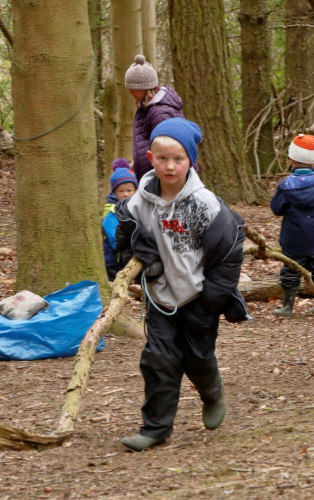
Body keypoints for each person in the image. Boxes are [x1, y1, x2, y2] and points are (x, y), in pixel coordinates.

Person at [115, 117, 250, 451]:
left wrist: (213, 300)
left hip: (199, 296)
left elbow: (230, 250)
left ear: (191, 161)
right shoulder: (138, 201)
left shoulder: (205, 204)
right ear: (151, 158)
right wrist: (136, 248)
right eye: (162, 159)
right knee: (158, 360)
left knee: (197, 358)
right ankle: (155, 429)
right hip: (161, 297)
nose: (169, 166)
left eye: (178, 159)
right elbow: (123, 235)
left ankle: (212, 392)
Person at [270, 134, 314, 318]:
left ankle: (287, 307)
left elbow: (277, 208)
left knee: (290, 270)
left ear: (292, 158)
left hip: (292, 238)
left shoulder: (286, 185)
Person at [124, 54, 190, 181]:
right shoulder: (150, 108)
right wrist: (137, 163)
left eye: (132, 88)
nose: (130, 92)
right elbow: (150, 145)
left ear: (144, 88)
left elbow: (167, 151)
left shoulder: (159, 113)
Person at [102, 158, 138, 281]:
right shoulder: (112, 210)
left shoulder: (136, 207)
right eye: (121, 191)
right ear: (115, 193)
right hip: (114, 258)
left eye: (129, 190)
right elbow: (113, 236)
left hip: (129, 254)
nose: (126, 194)